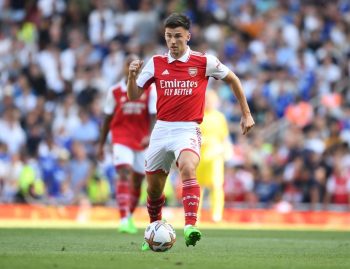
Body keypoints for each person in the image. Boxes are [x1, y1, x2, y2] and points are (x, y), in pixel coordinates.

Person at [127, 13, 255, 249]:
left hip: (187, 128)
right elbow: (134, 95)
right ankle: (154, 228)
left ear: (188, 36)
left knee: (187, 166)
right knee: (154, 189)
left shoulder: (204, 62)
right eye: (168, 36)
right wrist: (131, 76)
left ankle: (190, 226)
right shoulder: (156, 63)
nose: (173, 41)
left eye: (177, 36)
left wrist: (246, 113)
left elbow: (233, 79)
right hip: (162, 129)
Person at [97, 54, 157, 234]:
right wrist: (101, 145)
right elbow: (107, 118)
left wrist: (150, 135)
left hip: (141, 140)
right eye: (129, 65)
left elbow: (153, 115)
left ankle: (128, 216)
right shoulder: (114, 91)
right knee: (124, 173)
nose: (133, 68)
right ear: (124, 67)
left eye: (137, 65)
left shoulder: (149, 90)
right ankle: (123, 218)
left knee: (138, 181)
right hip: (121, 137)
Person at [196, 89, 231, 223]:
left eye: (212, 100)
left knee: (216, 185)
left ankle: (217, 215)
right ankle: (195, 215)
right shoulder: (198, 116)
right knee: (198, 187)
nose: (210, 103)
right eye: (208, 100)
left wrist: (227, 150)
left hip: (215, 156)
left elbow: (224, 137)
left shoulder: (219, 117)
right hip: (199, 156)